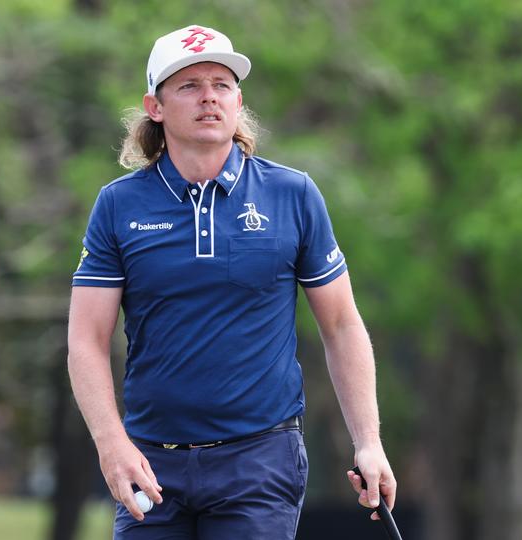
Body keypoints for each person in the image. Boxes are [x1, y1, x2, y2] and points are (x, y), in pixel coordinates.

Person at [67, 24, 396, 539]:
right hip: (151, 464)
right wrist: (112, 445)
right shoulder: (118, 204)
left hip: (259, 460)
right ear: (155, 106)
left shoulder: (293, 195)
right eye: (189, 86)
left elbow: (341, 326)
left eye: (221, 84)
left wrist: (369, 441)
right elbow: (86, 340)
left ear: (238, 100)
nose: (209, 98)